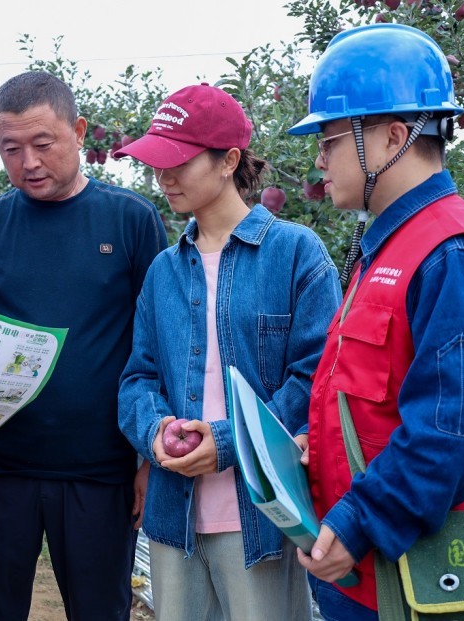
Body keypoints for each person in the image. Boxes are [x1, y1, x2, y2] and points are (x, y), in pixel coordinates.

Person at [286, 23, 464, 620]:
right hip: (372, 579)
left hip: (431, 589)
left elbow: (454, 431)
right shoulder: (392, 248)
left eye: (329, 139)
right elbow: (375, 396)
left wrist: (362, 519)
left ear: (392, 138)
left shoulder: (456, 256)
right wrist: (316, 441)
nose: (319, 160)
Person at [114, 83, 343, 621]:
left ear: (228, 161)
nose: (164, 177)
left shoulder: (295, 253)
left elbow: (317, 377)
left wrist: (226, 443)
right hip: (174, 518)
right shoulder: (164, 271)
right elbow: (137, 379)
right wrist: (155, 431)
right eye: (157, 164)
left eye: (179, 162)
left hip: (262, 515)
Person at [0, 71, 166, 621]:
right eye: (11, 149)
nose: (29, 163)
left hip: (101, 472)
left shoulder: (131, 220)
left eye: (43, 143)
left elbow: (158, 346)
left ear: (79, 131)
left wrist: (149, 460)